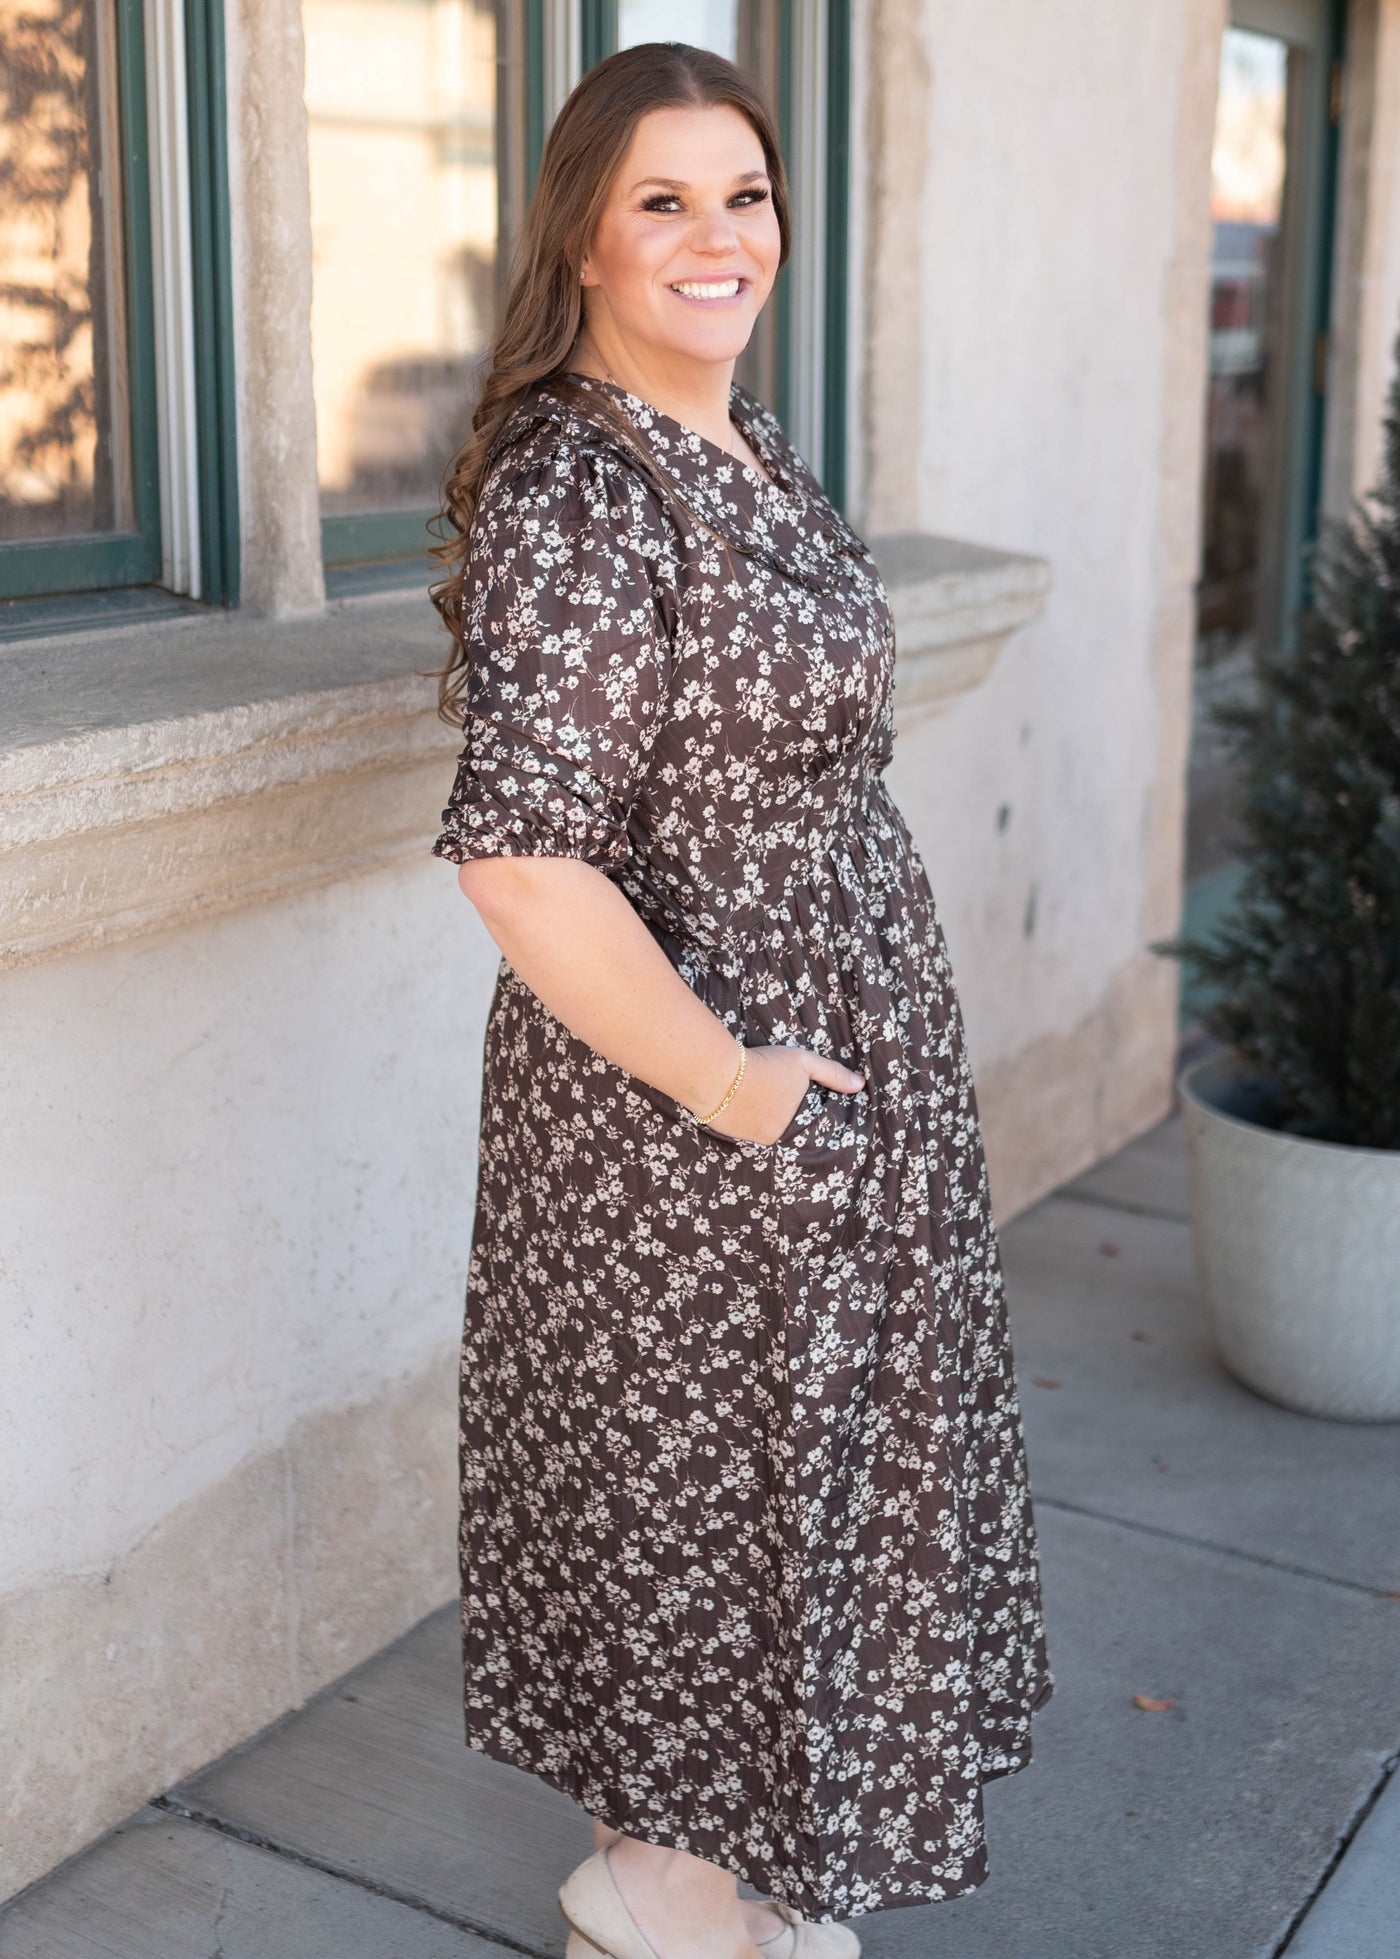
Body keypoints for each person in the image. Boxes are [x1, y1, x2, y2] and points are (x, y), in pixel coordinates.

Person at [427, 41, 1054, 1959]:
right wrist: (730, 1082)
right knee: (687, 1494)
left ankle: (702, 1879)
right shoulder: (580, 489)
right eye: (664, 201)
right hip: (686, 1114)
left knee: (796, 1491)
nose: (721, 237)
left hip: (822, 1070)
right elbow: (521, 858)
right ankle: (661, 1893)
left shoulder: (740, 439)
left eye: (747, 195)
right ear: (585, 241)